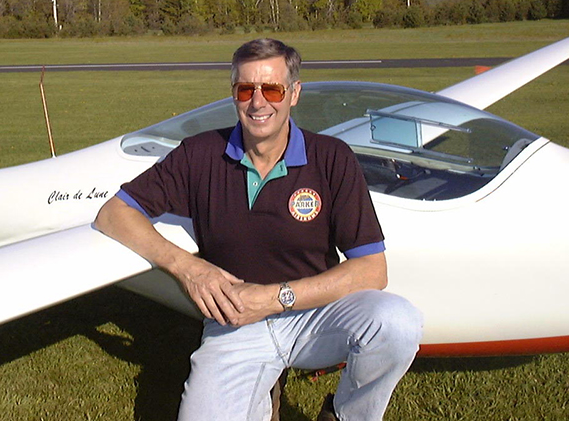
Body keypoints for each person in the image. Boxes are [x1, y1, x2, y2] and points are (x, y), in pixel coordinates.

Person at [95, 38, 423, 421]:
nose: (258, 102)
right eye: (245, 89)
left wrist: (273, 298)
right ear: (233, 93)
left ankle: (344, 414)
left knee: (397, 322)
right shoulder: (199, 154)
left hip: (314, 313)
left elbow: (372, 270)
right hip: (234, 324)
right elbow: (114, 214)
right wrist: (189, 268)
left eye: (272, 89)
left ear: (294, 93)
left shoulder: (332, 158)